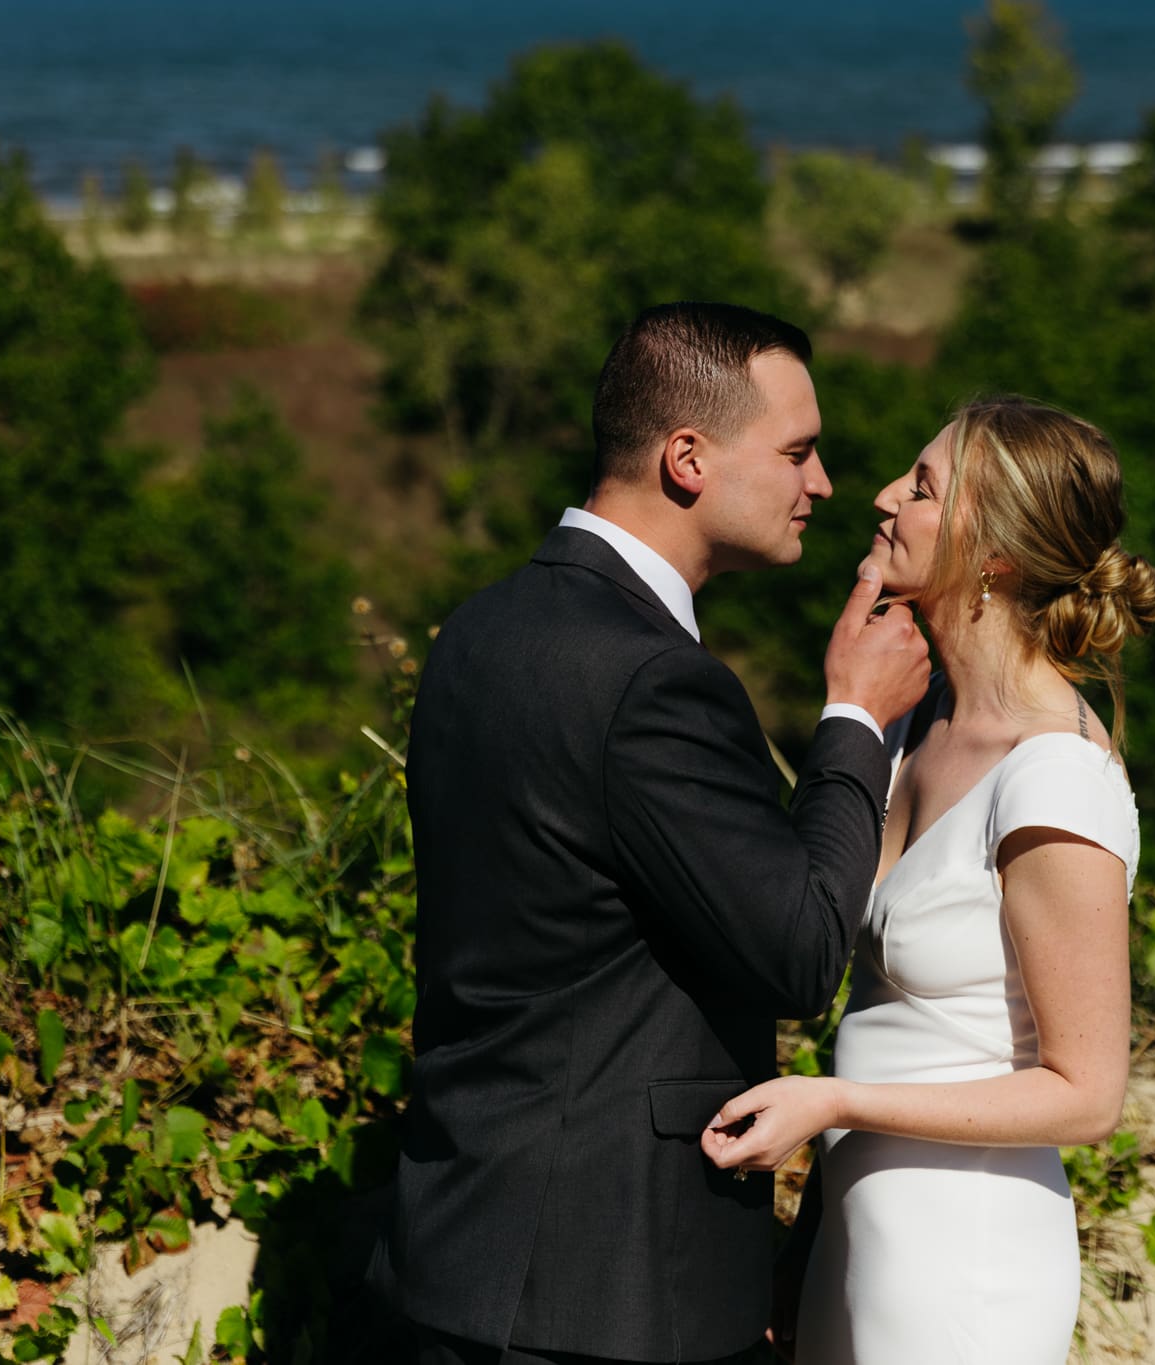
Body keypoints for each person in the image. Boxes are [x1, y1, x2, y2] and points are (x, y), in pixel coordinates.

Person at [378, 302, 931, 1365]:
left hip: (452, 1247)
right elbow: (799, 949)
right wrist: (855, 720)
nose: (820, 486)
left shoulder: (479, 632)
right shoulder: (653, 681)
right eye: (797, 452)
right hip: (608, 1292)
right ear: (687, 457)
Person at [700, 397, 1155, 1365]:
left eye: (919, 487)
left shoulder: (1054, 775)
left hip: (965, 1264)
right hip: (856, 1248)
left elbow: (1087, 1096)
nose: (880, 498)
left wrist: (831, 1103)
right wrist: (804, 1252)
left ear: (993, 555)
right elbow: (883, 1020)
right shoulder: (920, 730)